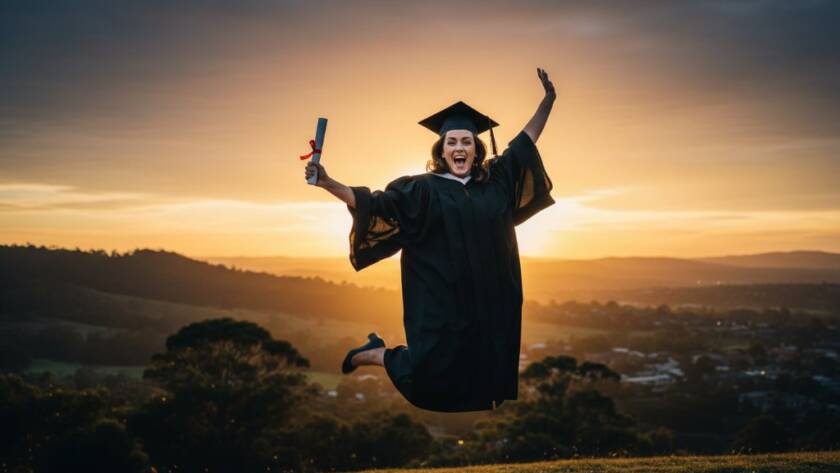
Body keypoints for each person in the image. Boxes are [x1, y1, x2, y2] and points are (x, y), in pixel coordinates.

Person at [304, 68, 556, 412]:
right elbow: (377, 204)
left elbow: (525, 142)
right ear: (442, 149)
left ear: (476, 148)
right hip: (441, 298)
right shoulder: (422, 189)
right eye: (451, 141)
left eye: (466, 141)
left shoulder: (495, 182)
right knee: (429, 373)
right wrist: (328, 183)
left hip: (491, 296)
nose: (459, 147)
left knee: (482, 364)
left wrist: (548, 101)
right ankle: (374, 353)